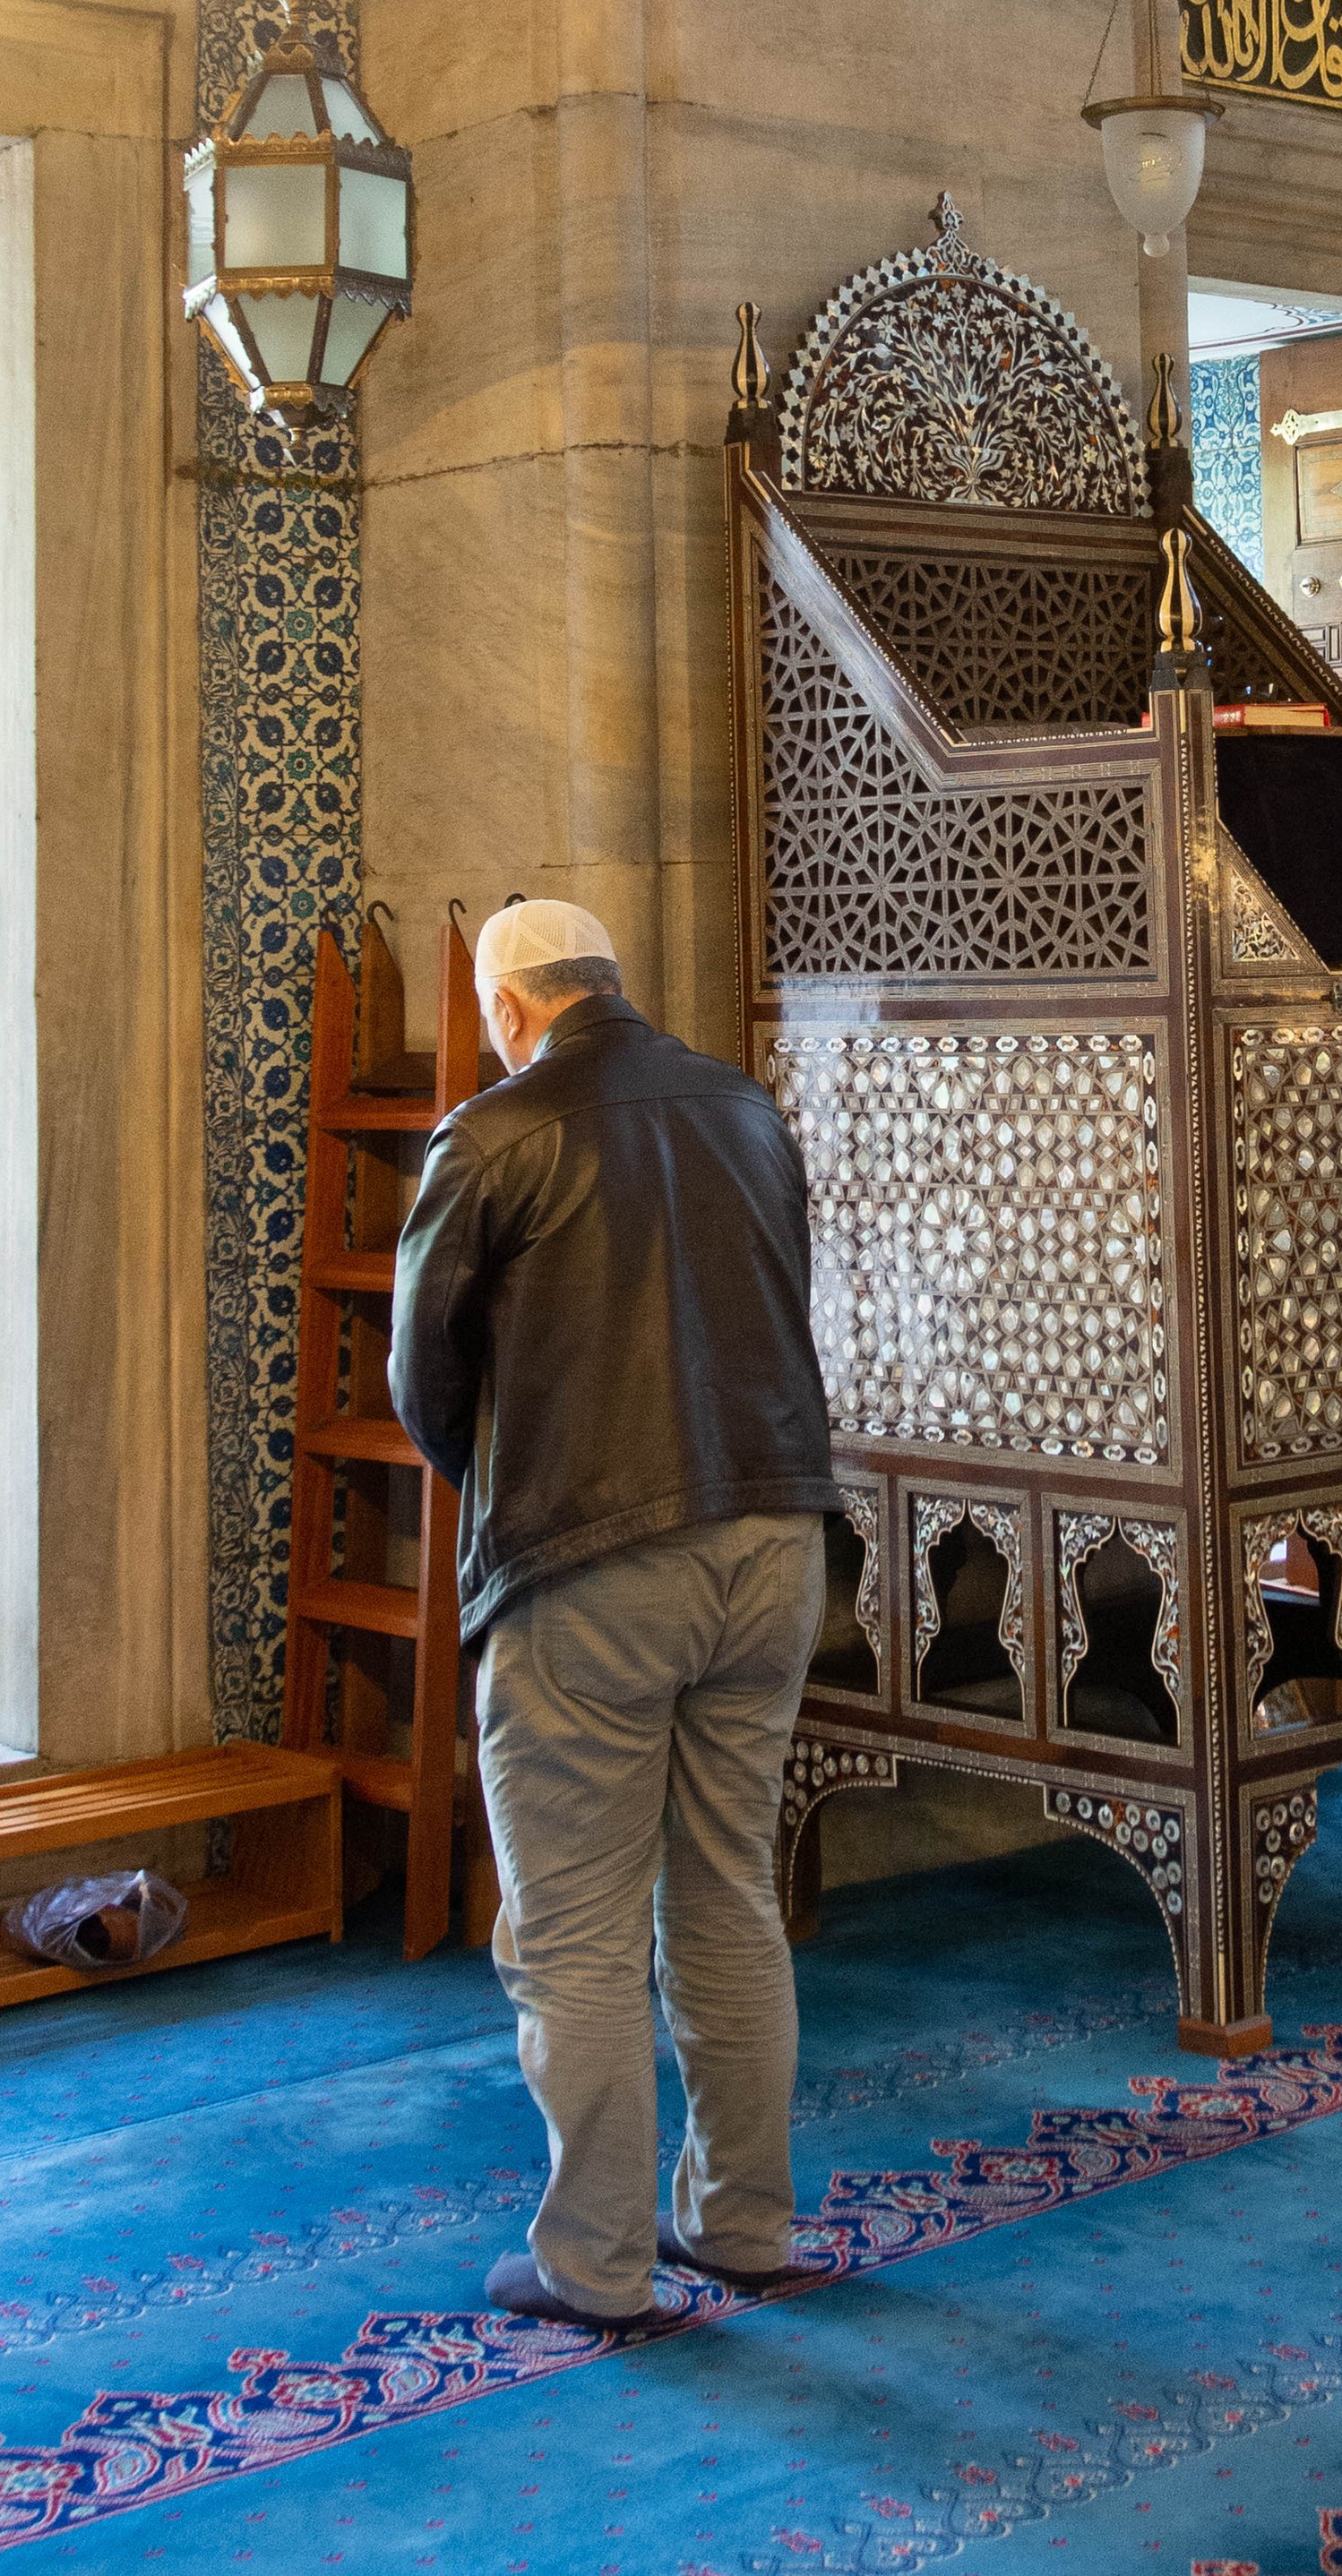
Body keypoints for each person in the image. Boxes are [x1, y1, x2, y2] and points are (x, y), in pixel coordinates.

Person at [390, 897, 838, 2333]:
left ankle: (595, 2267)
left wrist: (522, 1489)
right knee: (727, 1896)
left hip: (590, 1563)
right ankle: (745, 2228)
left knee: (573, 1934)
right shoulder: (746, 1108)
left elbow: (423, 1378)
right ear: (609, 984)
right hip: (775, 1541)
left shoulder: (494, 1133)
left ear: (511, 1008)